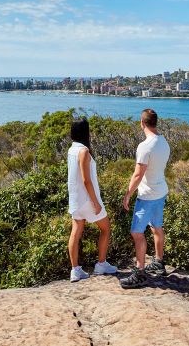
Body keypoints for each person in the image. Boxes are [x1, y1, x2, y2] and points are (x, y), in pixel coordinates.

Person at [120, 109, 171, 289]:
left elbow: (137, 175)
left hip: (147, 196)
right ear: (155, 122)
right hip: (160, 192)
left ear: (142, 123)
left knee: (137, 232)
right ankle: (159, 261)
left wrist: (127, 194)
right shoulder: (164, 142)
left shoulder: (145, 146)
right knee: (156, 227)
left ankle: (140, 272)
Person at [67, 118, 118, 282]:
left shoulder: (71, 150)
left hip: (75, 201)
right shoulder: (84, 151)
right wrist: (95, 202)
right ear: (85, 132)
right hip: (87, 200)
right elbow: (86, 180)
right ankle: (101, 265)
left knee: (76, 232)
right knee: (105, 228)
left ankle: (75, 270)